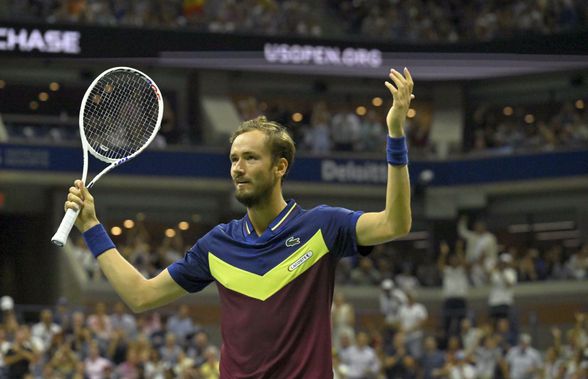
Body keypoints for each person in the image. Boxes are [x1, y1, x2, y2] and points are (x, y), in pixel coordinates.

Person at [62, 68, 414, 378]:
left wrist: (395, 136)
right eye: (233, 159)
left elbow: (394, 224)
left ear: (280, 167)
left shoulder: (321, 226)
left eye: (250, 158)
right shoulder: (217, 245)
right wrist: (92, 227)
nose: (237, 168)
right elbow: (141, 296)